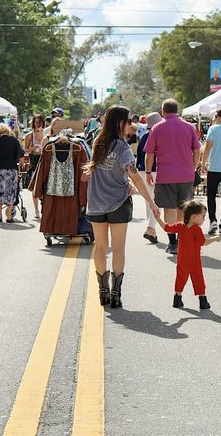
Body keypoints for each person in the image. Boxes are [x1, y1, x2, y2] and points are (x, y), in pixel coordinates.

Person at [85, 105, 161, 309]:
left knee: (100, 247)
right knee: (118, 248)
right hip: (118, 202)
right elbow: (135, 175)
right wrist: (151, 202)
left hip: (96, 201)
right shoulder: (123, 148)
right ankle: (116, 293)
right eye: (128, 121)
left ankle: (103, 291)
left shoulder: (98, 142)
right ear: (120, 123)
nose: (131, 125)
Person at [145, 99, 201, 255]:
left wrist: (148, 172)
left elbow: (150, 154)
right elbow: (197, 151)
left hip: (165, 175)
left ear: (163, 111)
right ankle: (181, 240)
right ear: (177, 110)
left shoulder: (157, 128)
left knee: (169, 209)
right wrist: (193, 167)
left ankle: (172, 242)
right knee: (183, 208)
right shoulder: (189, 127)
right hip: (186, 175)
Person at [154, 199, 221, 310]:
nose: (204, 219)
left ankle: (177, 298)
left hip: (181, 260)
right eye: (203, 216)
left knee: (180, 279)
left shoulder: (181, 226)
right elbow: (203, 242)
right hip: (194, 262)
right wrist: (214, 238)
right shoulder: (196, 229)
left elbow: (167, 227)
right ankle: (203, 301)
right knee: (198, 280)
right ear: (194, 217)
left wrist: (158, 218)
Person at [136, 112, 163, 244]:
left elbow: (139, 156)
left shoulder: (144, 136)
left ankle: (152, 229)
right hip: (154, 171)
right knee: (157, 201)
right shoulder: (159, 136)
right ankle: (150, 227)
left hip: (143, 171)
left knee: (149, 201)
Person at [0, 123, 24, 223]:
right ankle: (9, 214)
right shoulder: (14, 140)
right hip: (11, 170)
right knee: (11, 190)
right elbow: (20, 156)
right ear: (8, 131)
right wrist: (21, 164)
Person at [23, 114, 47, 218]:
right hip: (34, 162)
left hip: (44, 161)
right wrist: (31, 149)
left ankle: (43, 207)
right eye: (35, 122)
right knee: (34, 187)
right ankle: (36, 209)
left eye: (39, 122)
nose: (37, 124)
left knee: (45, 186)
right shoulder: (29, 136)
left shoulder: (46, 134)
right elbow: (25, 151)